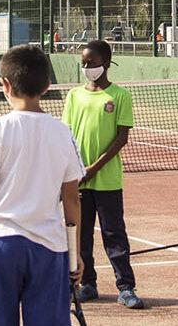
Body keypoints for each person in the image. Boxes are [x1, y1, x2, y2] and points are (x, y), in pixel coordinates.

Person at [0, 45, 84, 326]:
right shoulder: (62, 132)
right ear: (47, 85)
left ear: (5, 84)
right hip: (49, 248)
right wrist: (75, 255)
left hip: (1, 244)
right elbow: (72, 200)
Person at [64, 40, 144, 308]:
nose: (87, 68)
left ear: (106, 64)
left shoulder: (120, 96)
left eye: (92, 63)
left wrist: (92, 168)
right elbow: (67, 136)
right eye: (84, 63)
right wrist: (75, 170)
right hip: (78, 181)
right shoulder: (74, 96)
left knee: (114, 235)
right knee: (82, 235)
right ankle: (87, 284)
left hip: (108, 181)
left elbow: (121, 138)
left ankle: (125, 287)